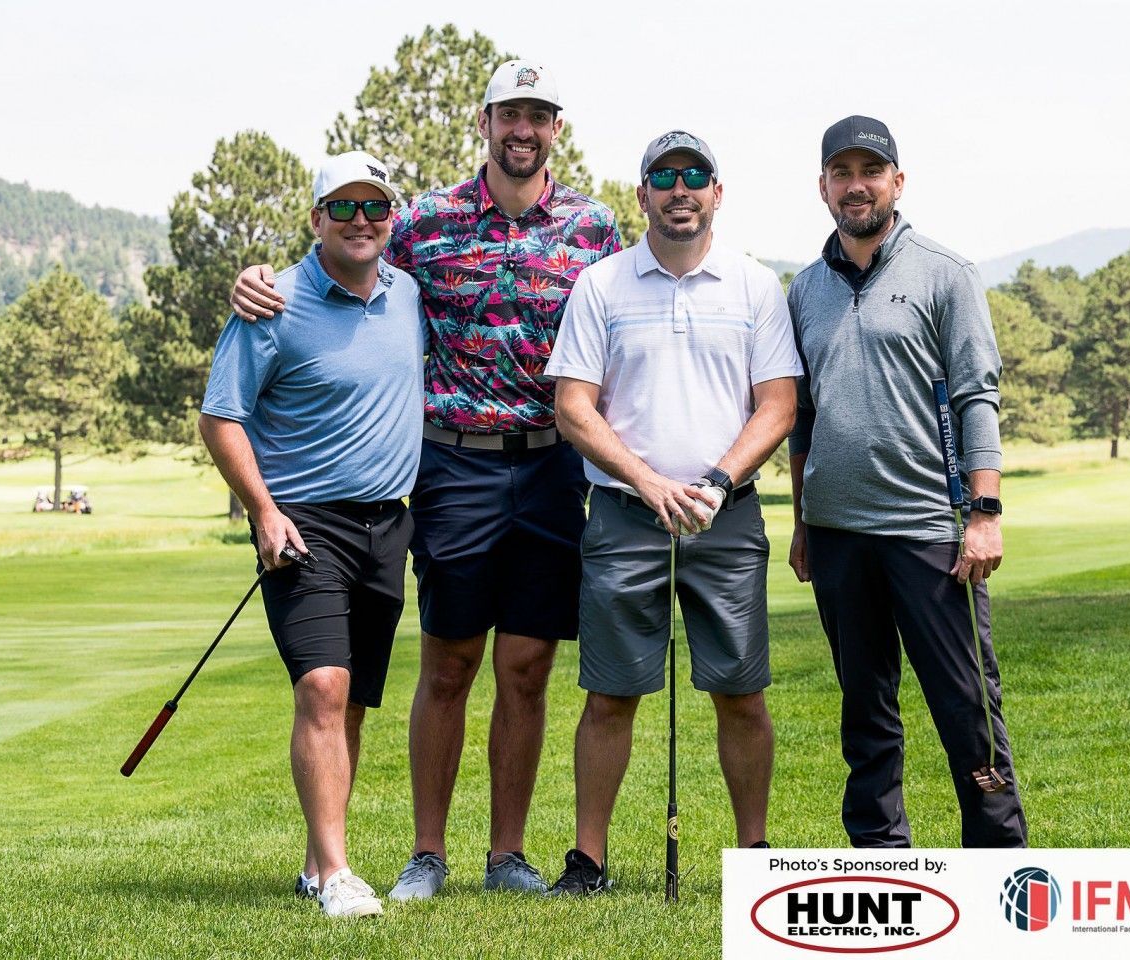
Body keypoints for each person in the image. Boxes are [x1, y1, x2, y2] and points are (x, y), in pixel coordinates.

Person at [228, 60, 621, 896]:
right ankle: (427, 855)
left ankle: (506, 856)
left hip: (552, 464)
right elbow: (343, 260)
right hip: (454, 465)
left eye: (537, 116)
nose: (522, 130)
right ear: (484, 122)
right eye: (508, 114)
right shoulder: (424, 221)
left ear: (556, 127)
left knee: (526, 668)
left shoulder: (593, 227)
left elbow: (620, 325)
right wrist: (259, 280)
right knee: (448, 664)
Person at [542, 131, 802, 893]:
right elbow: (573, 406)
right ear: (642, 195)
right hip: (626, 513)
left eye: (694, 175)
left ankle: (754, 857)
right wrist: (649, 482)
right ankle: (588, 860)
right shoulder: (601, 285)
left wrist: (716, 481)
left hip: (728, 513)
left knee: (740, 691)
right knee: (610, 693)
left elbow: (777, 404)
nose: (678, 188)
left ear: (717, 192)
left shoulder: (753, 286)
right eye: (663, 177)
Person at [786, 116, 1028, 848]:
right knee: (865, 713)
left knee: (966, 708)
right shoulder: (804, 289)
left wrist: (984, 512)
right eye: (841, 172)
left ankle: (997, 861)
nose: (855, 185)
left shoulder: (944, 272)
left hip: (929, 531)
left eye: (871, 171)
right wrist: (801, 522)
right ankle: (881, 858)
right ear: (822, 186)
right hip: (836, 534)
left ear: (897, 181)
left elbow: (975, 397)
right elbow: (801, 416)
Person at [199, 151, 424, 916]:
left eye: (375, 207)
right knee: (322, 686)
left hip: (387, 522)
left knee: (350, 699)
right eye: (344, 207)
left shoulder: (409, 294)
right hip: (302, 522)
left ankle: (313, 863)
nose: (361, 220)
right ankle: (335, 875)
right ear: (316, 218)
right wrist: (263, 510)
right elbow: (220, 417)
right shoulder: (273, 302)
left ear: (391, 218)